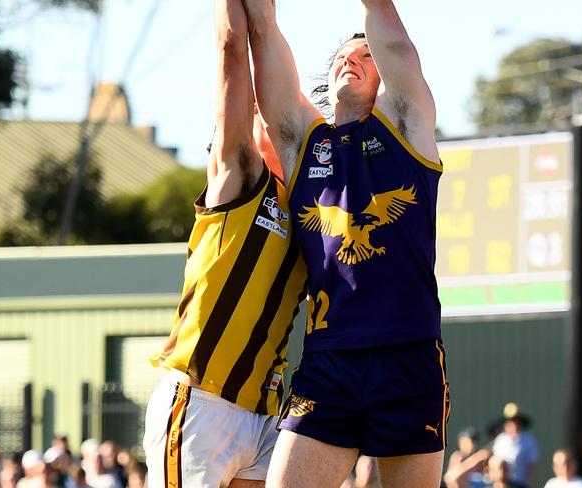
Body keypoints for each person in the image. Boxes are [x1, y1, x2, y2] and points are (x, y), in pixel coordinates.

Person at [242, 0, 448, 486]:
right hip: (328, 360)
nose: (350, 60)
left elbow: (394, 39)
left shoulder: (407, 129)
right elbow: (264, 34)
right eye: (341, 58)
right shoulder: (303, 144)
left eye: (365, 56)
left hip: (408, 353)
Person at [142, 1, 306, 487]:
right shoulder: (240, 173)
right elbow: (232, 50)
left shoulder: (312, 206)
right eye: (256, 110)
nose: (265, 113)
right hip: (202, 405)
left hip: (264, 414)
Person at [491, 403, 539, 488]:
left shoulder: (528, 441)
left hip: (520, 483)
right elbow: (495, 463)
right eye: (509, 422)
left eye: (515, 421)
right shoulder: (500, 440)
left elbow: (531, 466)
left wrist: (529, 484)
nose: (513, 425)